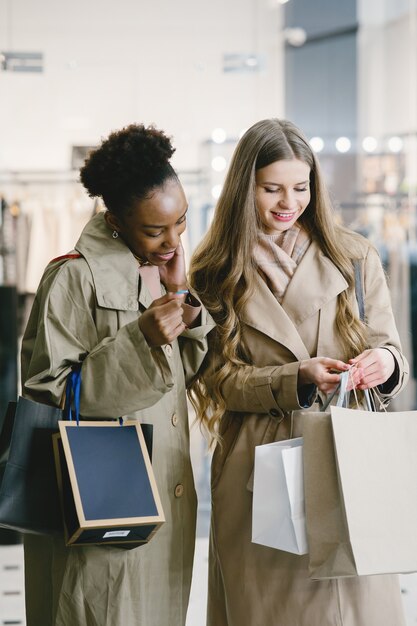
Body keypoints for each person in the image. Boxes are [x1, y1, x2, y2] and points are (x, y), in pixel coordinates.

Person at [188, 118, 409, 626]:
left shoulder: (353, 256)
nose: (289, 202)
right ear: (245, 188)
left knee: (354, 606)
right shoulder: (215, 271)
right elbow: (215, 379)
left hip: (347, 456)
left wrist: (385, 363)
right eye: (272, 189)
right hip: (258, 463)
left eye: (301, 187)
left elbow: (389, 345)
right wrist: (295, 378)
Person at [21, 123, 215, 626]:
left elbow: (183, 378)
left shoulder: (157, 273)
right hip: (100, 501)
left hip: (161, 501)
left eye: (181, 224)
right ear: (115, 220)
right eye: (156, 231)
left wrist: (182, 301)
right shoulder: (72, 275)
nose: (173, 241)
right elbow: (50, 390)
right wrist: (140, 341)